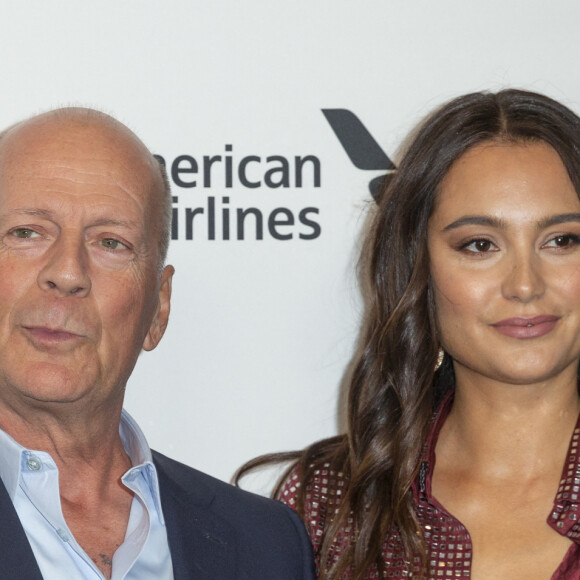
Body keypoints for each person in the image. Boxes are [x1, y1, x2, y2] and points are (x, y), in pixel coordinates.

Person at [237, 88, 580, 579]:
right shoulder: (333, 502)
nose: (525, 284)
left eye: (562, 240)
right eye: (480, 245)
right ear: (418, 269)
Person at [0, 107, 315, 580]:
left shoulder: (266, 545)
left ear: (158, 308)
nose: (67, 273)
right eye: (26, 233)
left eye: (110, 243)